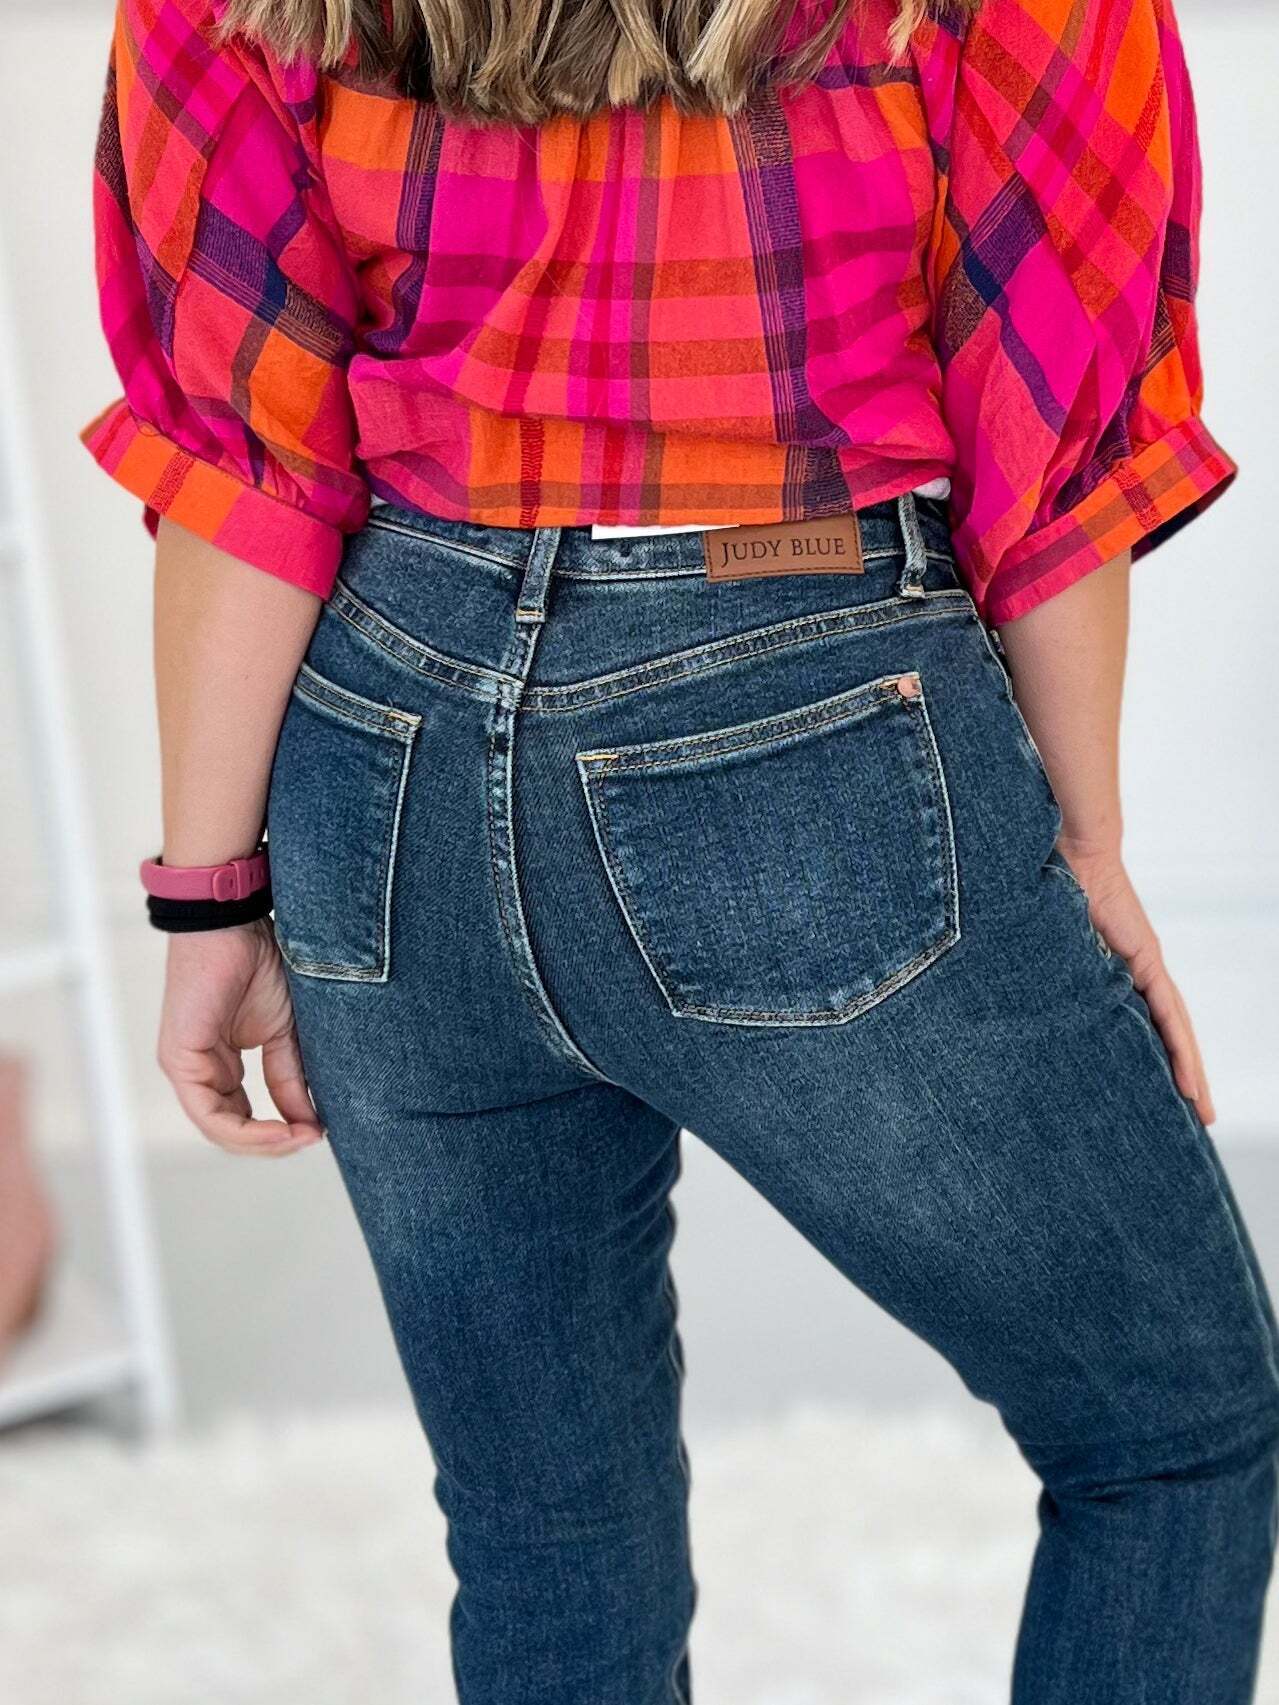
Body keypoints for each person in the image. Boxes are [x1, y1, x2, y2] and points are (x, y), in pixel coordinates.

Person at [83, 0, 1279, 1697]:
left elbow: (240, 449)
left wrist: (211, 895)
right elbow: (1052, 418)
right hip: (799, 705)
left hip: (383, 738)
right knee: (1175, 1428)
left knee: (544, 1527)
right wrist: (1083, 839)